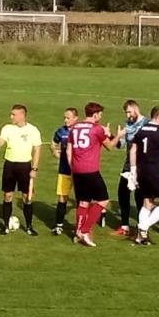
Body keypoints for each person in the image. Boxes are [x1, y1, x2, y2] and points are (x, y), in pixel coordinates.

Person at [68, 102, 121, 247]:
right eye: (100, 115)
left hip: (77, 169)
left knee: (83, 202)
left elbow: (70, 149)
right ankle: (85, 230)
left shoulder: (74, 128)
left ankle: (78, 231)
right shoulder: (96, 129)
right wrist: (118, 135)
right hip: (90, 170)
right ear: (95, 114)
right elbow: (109, 146)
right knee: (103, 200)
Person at [0, 104, 42, 235]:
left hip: (25, 166)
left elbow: (37, 149)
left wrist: (34, 168)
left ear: (22, 115)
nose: (11, 116)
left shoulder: (33, 130)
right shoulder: (8, 128)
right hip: (10, 166)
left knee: (27, 197)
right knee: (8, 195)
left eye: (14, 114)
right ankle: (6, 226)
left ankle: (29, 227)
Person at [128, 106, 159, 245]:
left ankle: (140, 237)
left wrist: (133, 169)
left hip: (141, 171)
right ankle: (144, 226)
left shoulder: (142, 129)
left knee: (148, 202)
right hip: (154, 171)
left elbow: (133, 149)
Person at [111, 99, 146, 237]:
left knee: (140, 197)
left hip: (142, 167)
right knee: (122, 193)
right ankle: (124, 225)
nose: (128, 116)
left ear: (136, 109)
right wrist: (113, 136)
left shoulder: (147, 124)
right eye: (126, 113)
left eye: (129, 112)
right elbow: (121, 145)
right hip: (128, 166)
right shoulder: (129, 124)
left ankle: (141, 226)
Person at [50, 107, 78, 235]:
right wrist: (54, 151)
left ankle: (80, 226)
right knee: (62, 197)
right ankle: (59, 225)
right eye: (64, 117)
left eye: (68, 118)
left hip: (79, 171)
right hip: (64, 170)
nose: (65, 120)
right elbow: (53, 143)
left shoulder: (79, 130)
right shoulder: (61, 131)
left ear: (75, 119)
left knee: (81, 199)